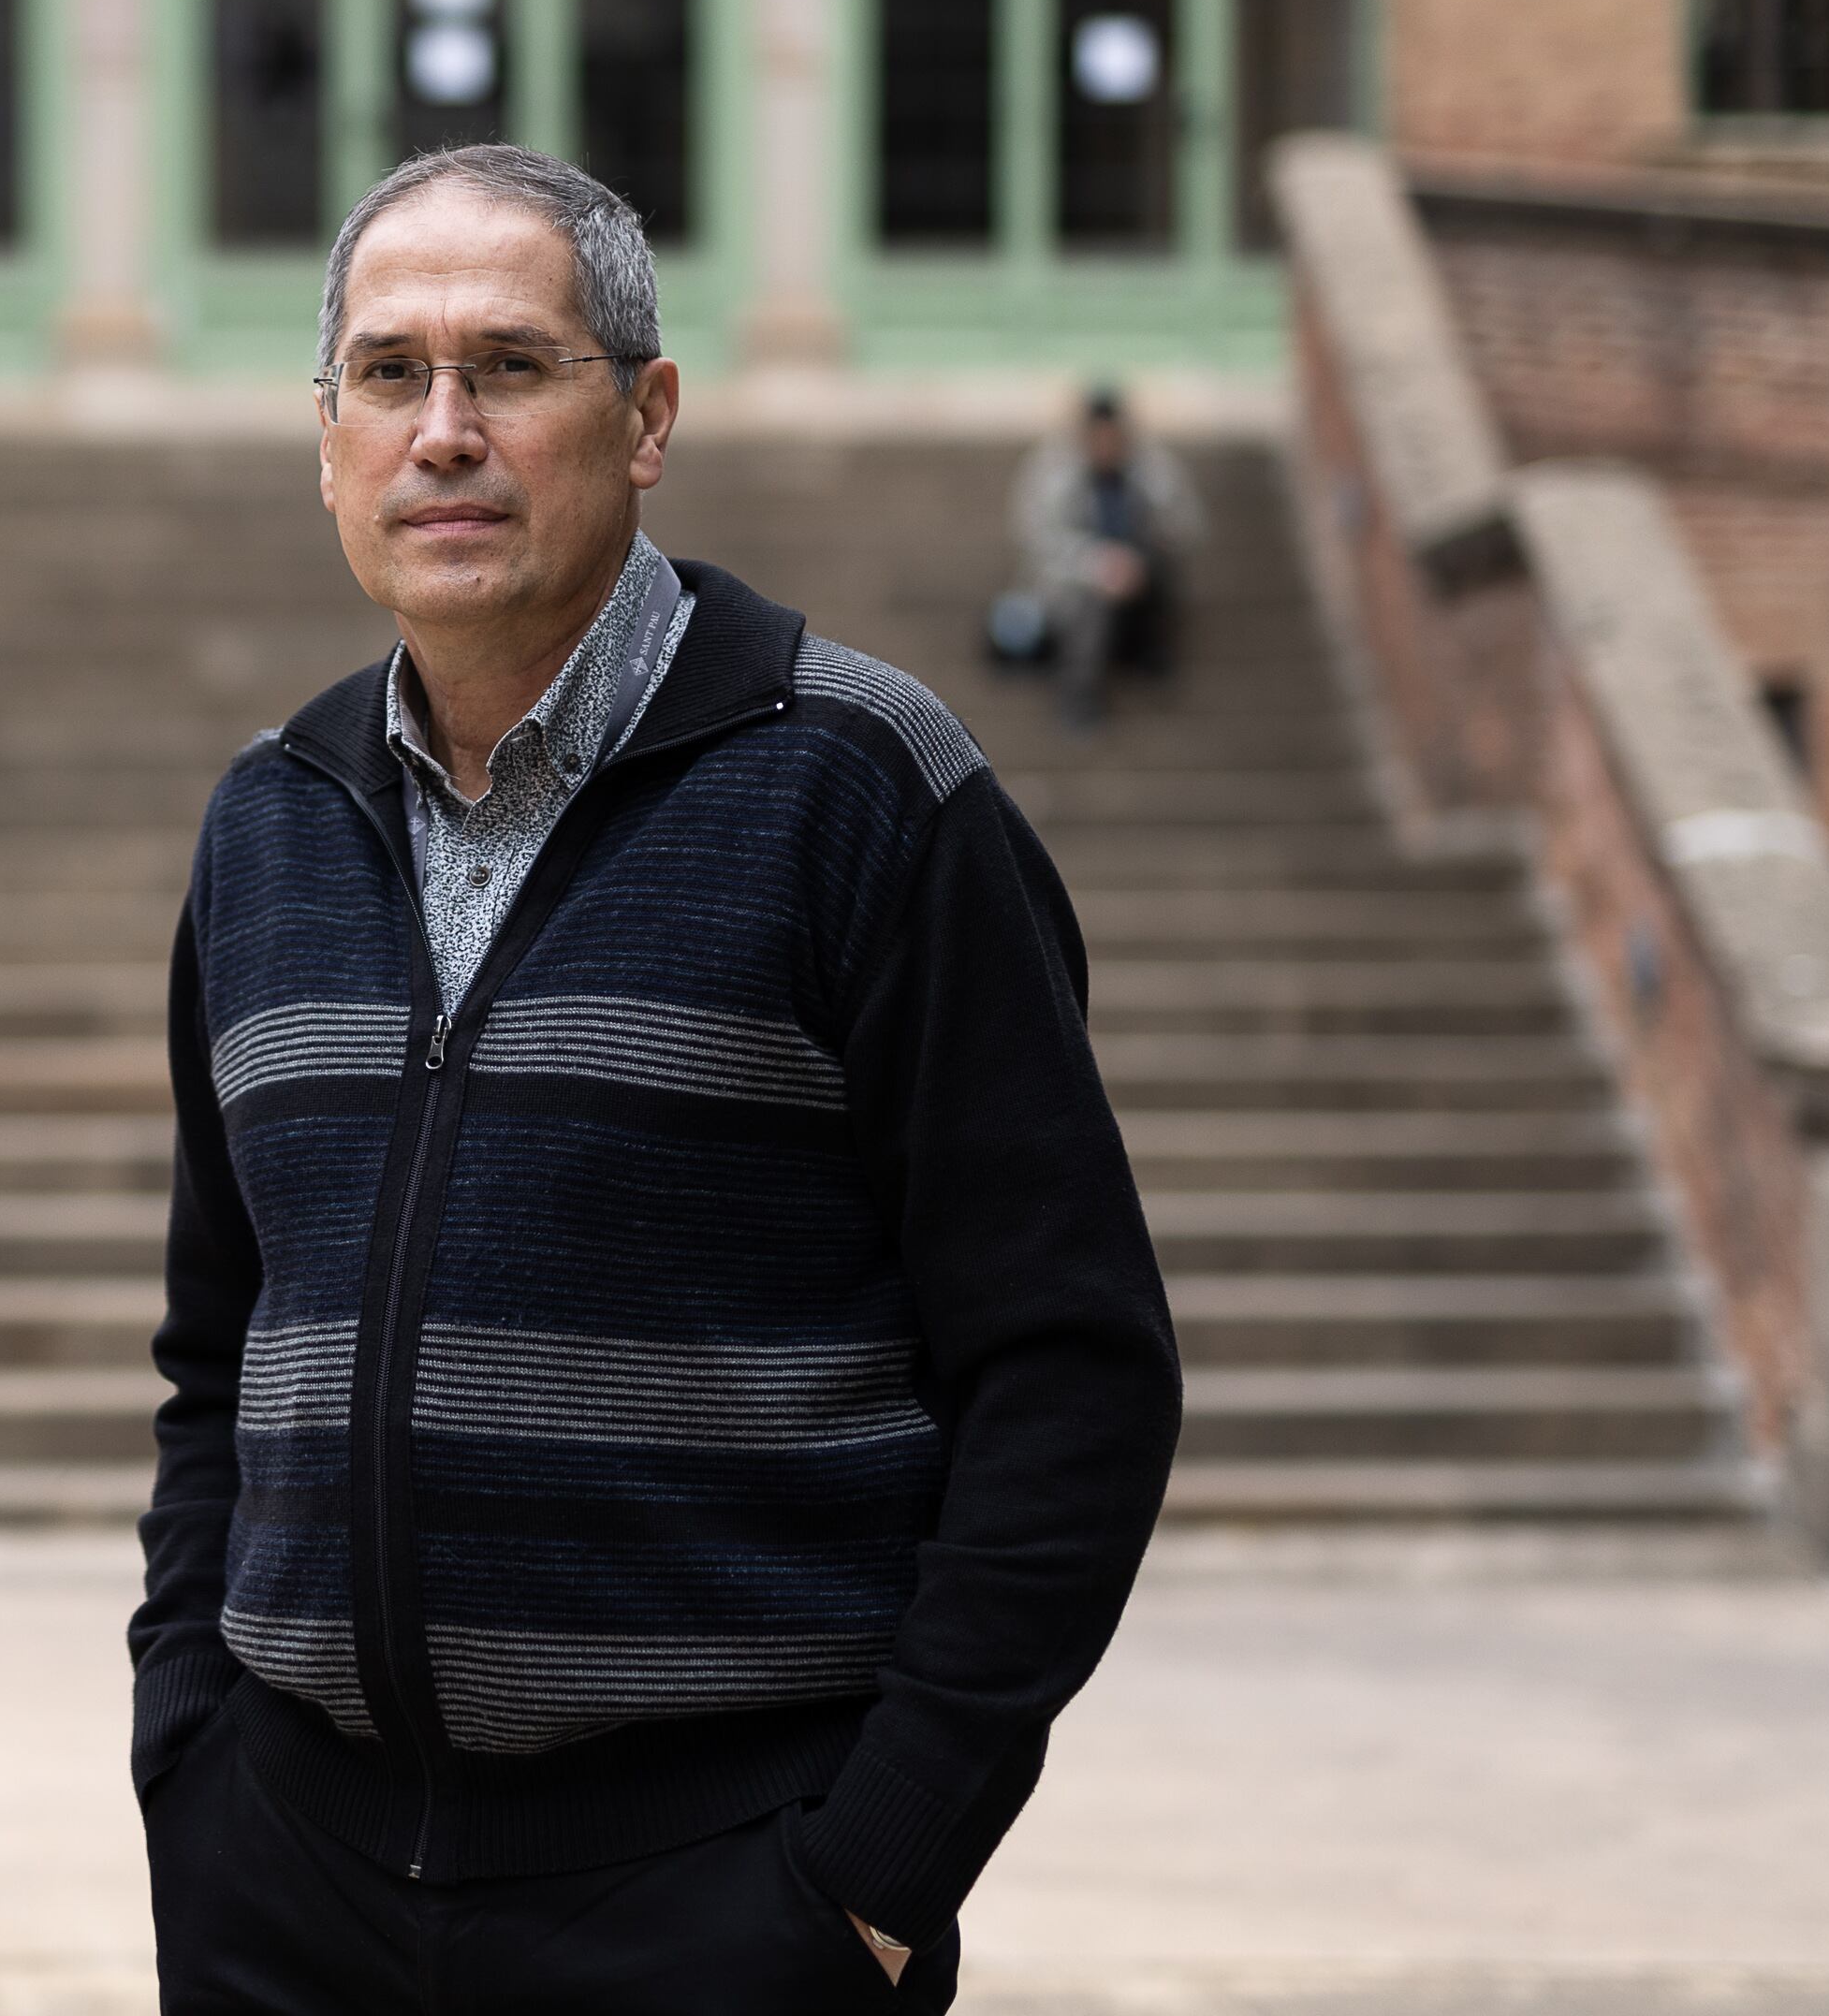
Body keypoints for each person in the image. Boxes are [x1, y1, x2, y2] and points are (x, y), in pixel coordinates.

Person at [128, 143, 1183, 2013]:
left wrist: (873, 1875)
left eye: (512, 367)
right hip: (287, 1891)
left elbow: (1071, 1370)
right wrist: (189, 1765)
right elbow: (221, 1354)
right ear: (326, 441)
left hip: (716, 1903)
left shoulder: (859, 788)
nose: (441, 430)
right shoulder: (267, 825)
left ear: (648, 417)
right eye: (388, 374)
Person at [985, 384, 1205, 730]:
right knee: (1092, 603)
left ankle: (1150, 652)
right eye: (1097, 437)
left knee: (1154, 570)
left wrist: (1136, 558)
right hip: (1071, 588)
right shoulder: (1052, 471)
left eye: (1113, 436)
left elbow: (1185, 527)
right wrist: (1097, 565)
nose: (1106, 445)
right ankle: (1080, 696)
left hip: (1141, 580)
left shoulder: (1151, 468)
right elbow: (1039, 543)